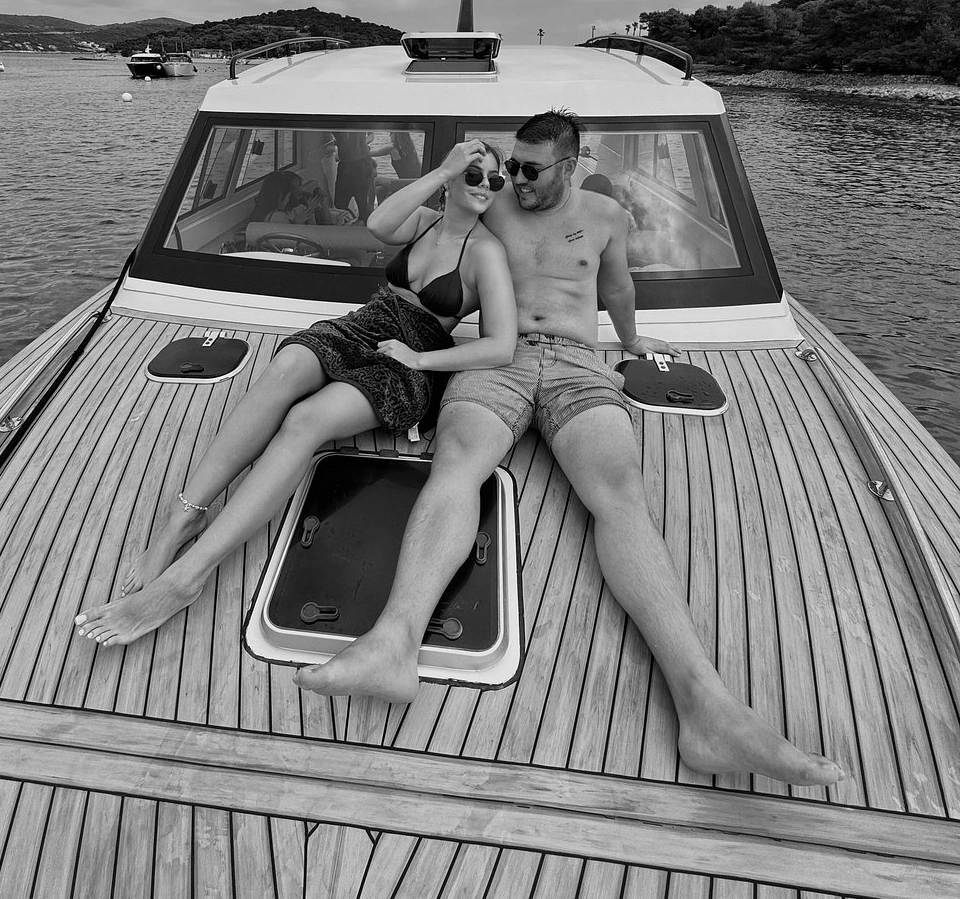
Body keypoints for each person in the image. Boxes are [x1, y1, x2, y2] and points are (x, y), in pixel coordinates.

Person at [295, 111, 846, 788]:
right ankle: (393, 642)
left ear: (571, 165)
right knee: (456, 465)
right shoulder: (491, 201)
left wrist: (633, 339)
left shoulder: (606, 214)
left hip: (581, 362)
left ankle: (708, 705)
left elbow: (616, 285)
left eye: (531, 170)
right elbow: (411, 229)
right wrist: (446, 177)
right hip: (499, 357)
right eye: (513, 167)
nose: (516, 180)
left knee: (620, 495)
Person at [74, 142, 517, 647]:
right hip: (367, 323)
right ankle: (184, 515)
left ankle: (186, 578)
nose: (485, 187)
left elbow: (500, 346)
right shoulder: (422, 221)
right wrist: (442, 168)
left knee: (306, 421)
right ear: (452, 179)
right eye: (474, 175)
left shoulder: (486, 253)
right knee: (284, 368)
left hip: (412, 355)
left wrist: (420, 361)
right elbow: (377, 226)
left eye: (494, 181)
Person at [333, 130, 377, 220]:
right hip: (366, 160)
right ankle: (366, 227)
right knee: (363, 203)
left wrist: (335, 141)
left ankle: (350, 223)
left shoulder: (340, 120)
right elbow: (371, 135)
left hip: (350, 165)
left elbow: (344, 139)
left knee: (340, 204)